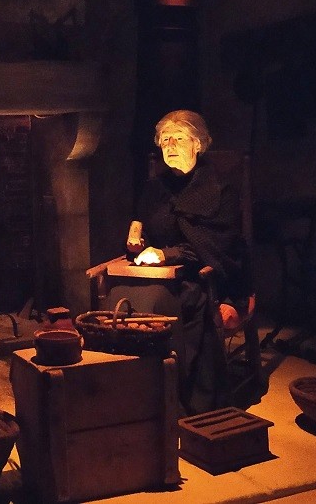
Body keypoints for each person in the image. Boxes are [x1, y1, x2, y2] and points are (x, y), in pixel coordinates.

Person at [111, 110, 249, 415]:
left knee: (158, 303)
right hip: (157, 273)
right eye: (165, 139)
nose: (170, 145)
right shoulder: (154, 189)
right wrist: (136, 240)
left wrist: (167, 255)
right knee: (117, 297)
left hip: (200, 276)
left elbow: (218, 246)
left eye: (179, 138)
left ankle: (170, 391)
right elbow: (144, 228)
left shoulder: (220, 190)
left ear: (198, 144)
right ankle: (132, 389)